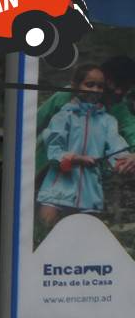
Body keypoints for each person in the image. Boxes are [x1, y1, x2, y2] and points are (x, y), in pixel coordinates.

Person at [38, 64, 127, 233]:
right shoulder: (63, 116)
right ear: (75, 86)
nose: (95, 89)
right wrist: (77, 158)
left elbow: (117, 146)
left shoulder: (108, 121)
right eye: (89, 84)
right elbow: (54, 152)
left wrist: (124, 161)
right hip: (56, 190)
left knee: (87, 245)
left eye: (100, 86)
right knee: (44, 236)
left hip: (90, 195)